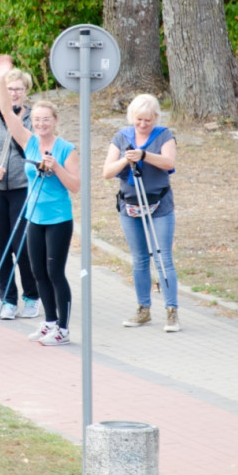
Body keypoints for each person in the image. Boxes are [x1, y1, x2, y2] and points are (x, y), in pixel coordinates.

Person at [0, 55, 80, 345]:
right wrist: (1, 78)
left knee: (55, 271)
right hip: (34, 217)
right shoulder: (29, 140)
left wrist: (55, 167)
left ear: (55, 122)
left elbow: (76, 186)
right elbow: (7, 112)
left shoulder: (67, 148)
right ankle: (49, 322)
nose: (41, 124)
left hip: (58, 219)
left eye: (46, 120)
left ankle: (64, 330)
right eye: (38, 120)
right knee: (37, 270)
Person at [101, 93, 180, 332]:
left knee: (163, 257)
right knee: (139, 259)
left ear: (156, 117)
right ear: (131, 118)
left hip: (159, 203)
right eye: (139, 120)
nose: (143, 124)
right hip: (130, 204)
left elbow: (169, 163)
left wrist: (145, 155)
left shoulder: (165, 135)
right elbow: (107, 172)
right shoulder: (121, 137)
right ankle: (143, 309)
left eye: (148, 120)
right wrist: (126, 160)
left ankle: (172, 310)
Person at [0, 67, 40, 320]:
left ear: (26, 91)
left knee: (21, 245)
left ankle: (32, 296)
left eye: (18, 89)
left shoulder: (35, 118)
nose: (13, 93)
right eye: (9, 88)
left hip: (23, 189)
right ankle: (8, 299)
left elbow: (42, 150)